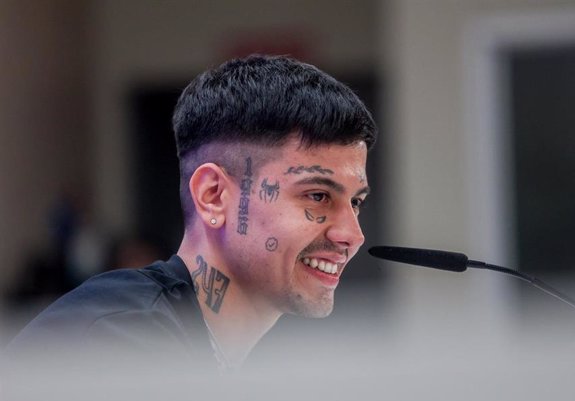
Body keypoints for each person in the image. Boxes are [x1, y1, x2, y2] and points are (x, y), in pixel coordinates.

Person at [6, 55, 377, 371]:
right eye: (317, 195)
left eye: (356, 202)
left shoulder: (215, 361)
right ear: (213, 196)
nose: (352, 234)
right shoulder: (121, 337)